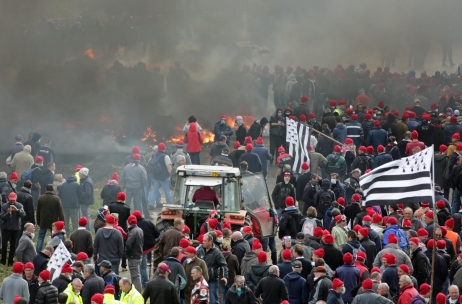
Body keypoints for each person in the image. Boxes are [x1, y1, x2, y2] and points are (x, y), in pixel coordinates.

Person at [197, 233, 229, 304]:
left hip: (212, 280)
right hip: (200, 280)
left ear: (210, 241)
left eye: (205, 241)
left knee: (213, 300)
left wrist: (224, 276)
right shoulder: (200, 251)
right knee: (200, 300)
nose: (203, 242)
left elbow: (223, 265)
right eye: (203, 241)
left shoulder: (217, 252)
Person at [36, 184, 64, 252]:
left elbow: (38, 211)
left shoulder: (41, 198)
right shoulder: (56, 198)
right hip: (54, 223)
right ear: (53, 189)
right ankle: (52, 251)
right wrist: (62, 222)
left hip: (43, 221)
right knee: (54, 237)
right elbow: (60, 212)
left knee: (41, 237)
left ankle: (38, 252)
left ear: (46, 189)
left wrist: (38, 221)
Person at [1, 192, 26, 265]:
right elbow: (2, 217)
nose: (12, 201)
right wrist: (7, 213)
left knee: (13, 245)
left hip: (15, 228)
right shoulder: (4, 206)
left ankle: (10, 261)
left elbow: (23, 214)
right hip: (6, 228)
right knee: (4, 245)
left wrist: (17, 210)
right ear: (8, 198)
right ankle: (3, 260)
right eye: (11, 200)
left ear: (16, 199)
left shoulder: (19, 205)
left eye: (13, 200)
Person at [125, 215, 143, 292]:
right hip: (138, 255)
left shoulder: (132, 232)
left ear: (129, 222)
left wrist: (126, 253)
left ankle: (137, 293)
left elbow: (128, 244)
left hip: (133, 256)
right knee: (137, 275)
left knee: (135, 277)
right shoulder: (140, 230)